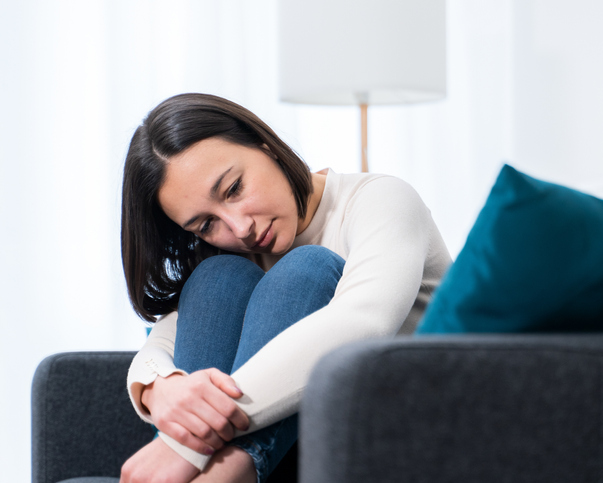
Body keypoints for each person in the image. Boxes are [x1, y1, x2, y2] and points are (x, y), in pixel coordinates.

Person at [118, 93, 451, 483]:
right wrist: (159, 388)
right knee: (215, 278)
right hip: (291, 459)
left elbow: (365, 320)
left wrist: (186, 441)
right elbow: (161, 344)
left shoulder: (381, 199)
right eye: (206, 224)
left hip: (388, 437)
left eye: (234, 189)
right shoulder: (229, 254)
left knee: (306, 267)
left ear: (266, 147)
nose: (240, 228)